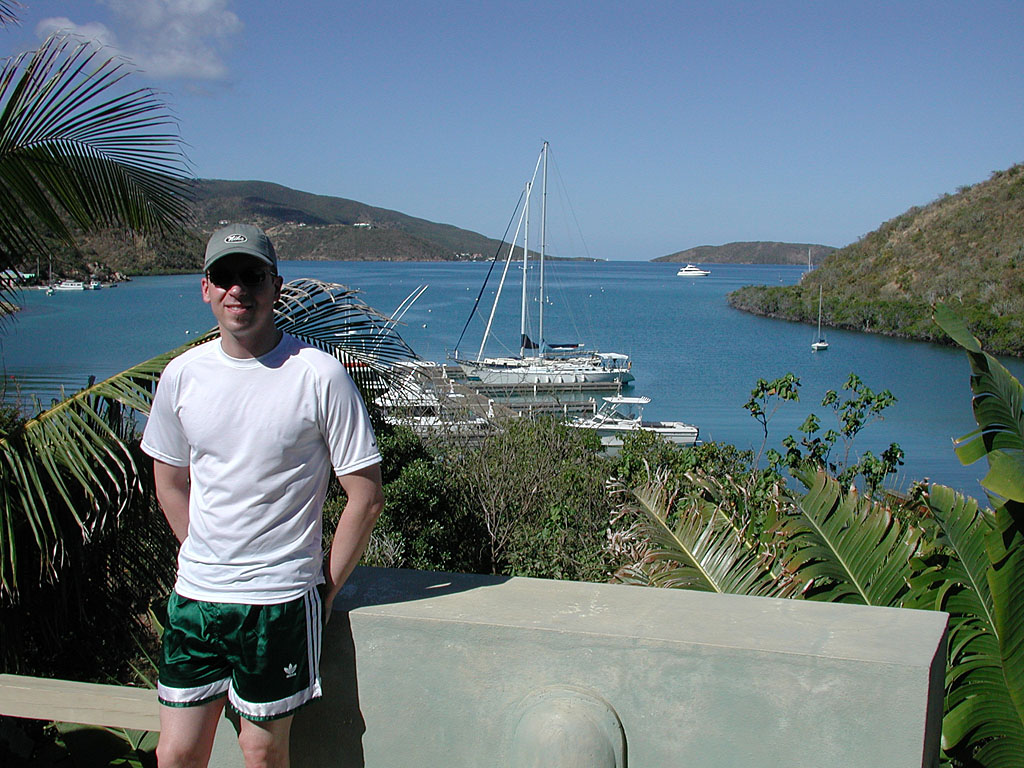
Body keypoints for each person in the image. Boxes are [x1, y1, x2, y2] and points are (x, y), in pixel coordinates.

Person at [141, 223, 384, 768]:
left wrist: (324, 587)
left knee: (262, 752)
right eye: (224, 276)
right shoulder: (182, 376)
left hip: (280, 601)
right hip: (196, 597)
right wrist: (203, 549)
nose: (237, 289)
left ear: (275, 286)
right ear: (206, 288)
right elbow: (169, 479)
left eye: (251, 276)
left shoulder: (318, 376)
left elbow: (366, 495)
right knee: (176, 754)